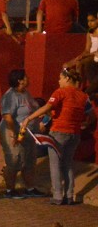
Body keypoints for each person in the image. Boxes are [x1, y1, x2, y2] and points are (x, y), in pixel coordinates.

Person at [20, 67, 93, 204]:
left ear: (67, 78)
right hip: (75, 134)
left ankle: (58, 196)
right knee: (68, 164)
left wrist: (29, 118)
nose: (59, 81)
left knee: (55, 164)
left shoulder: (60, 92)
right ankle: (69, 196)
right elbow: (90, 115)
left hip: (59, 132)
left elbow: (47, 107)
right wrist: (83, 124)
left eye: (60, 78)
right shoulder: (84, 96)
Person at [0, 69, 43, 199]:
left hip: (28, 133)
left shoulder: (25, 93)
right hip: (12, 132)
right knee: (14, 160)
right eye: (26, 77)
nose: (28, 79)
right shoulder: (10, 96)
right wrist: (14, 133)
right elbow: (7, 117)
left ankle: (30, 188)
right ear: (20, 80)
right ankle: (9, 190)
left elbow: (34, 109)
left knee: (29, 161)